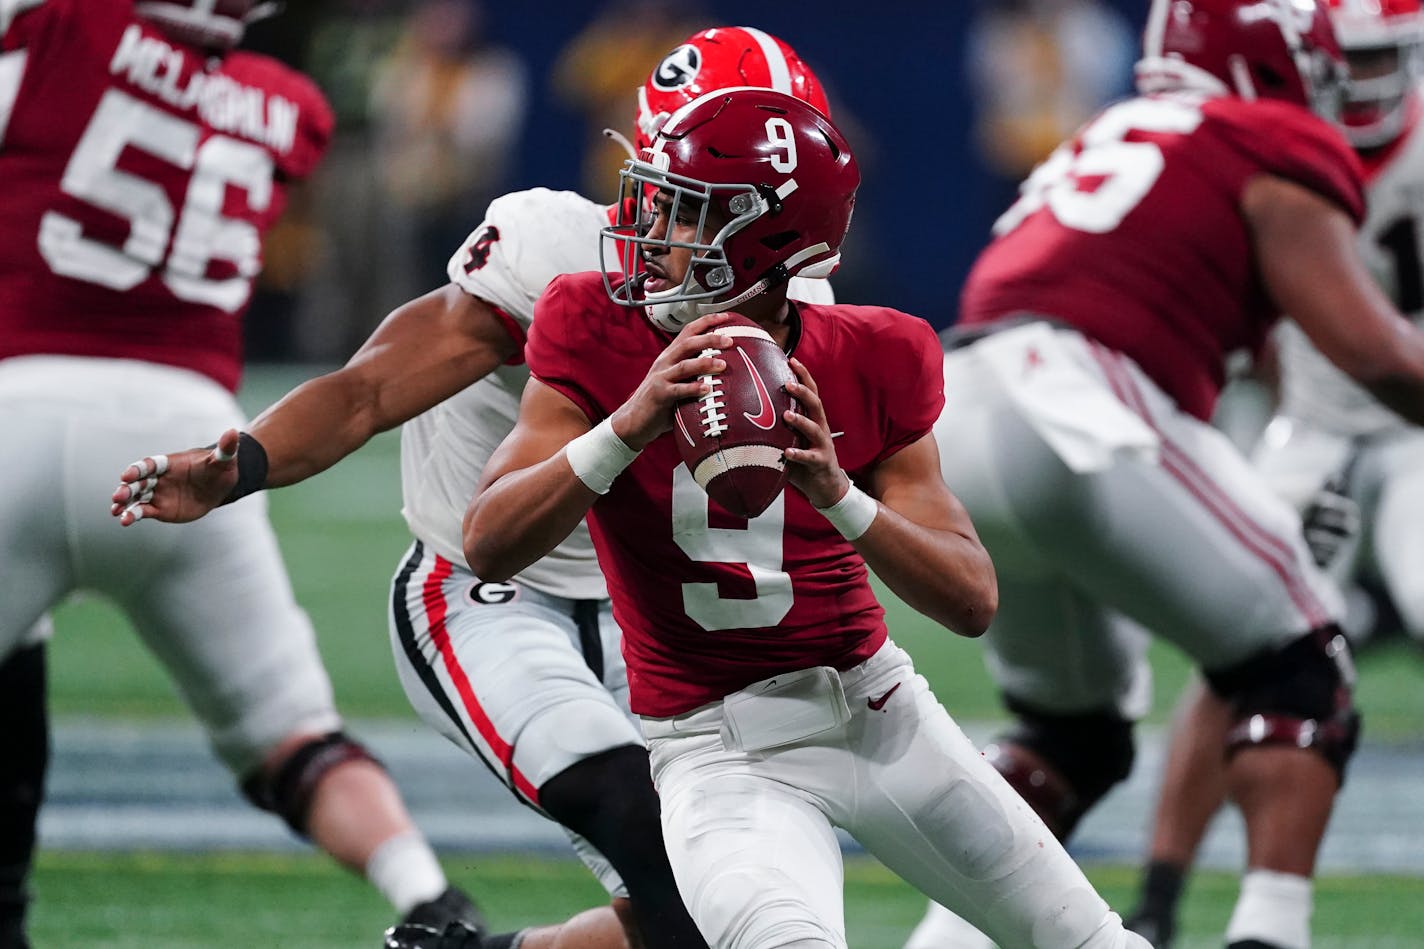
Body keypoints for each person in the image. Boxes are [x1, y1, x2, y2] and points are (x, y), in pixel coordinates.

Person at [110, 26, 839, 949]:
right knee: (642, 821)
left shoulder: (799, 304)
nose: (680, 215)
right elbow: (370, 387)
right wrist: (243, 462)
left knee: (730, 890)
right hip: (487, 593)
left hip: (649, 614)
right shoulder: (556, 254)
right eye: (682, 175)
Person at [459, 85, 1149, 949]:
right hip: (718, 748)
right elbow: (487, 542)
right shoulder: (589, 323)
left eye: (683, 212)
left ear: (762, 240)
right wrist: (625, 426)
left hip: (878, 712)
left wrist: (840, 495)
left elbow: (971, 599)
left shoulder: (874, 351)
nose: (652, 228)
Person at [912, 1, 1424, 948]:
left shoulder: (1118, 127)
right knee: (1303, 656)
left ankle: (943, 941)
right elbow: (1378, 355)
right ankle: (1272, 932)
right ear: (1268, 61)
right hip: (1075, 404)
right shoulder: (1263, 135)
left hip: (961, 407)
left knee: (1073, 735)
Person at [0, 0, 482, 944]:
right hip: (191, 434)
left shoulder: (62, 25)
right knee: (293, 732)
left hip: (20, 402)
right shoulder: (286, 103)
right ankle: (429, 898)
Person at [1122, 1, 1424, 944]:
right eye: (1353, 63)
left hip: (1417, 430)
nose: (1370, 87)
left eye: (1390, 62)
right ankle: (1160, 897)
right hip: (1314, 424)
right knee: (1236, 645)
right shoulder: (1273, 140)